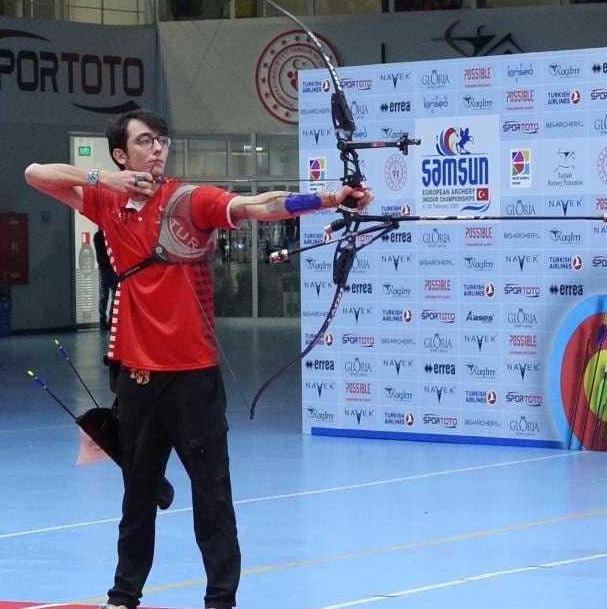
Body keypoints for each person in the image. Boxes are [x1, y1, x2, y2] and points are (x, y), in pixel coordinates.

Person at [24, 109, 372, 609]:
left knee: (213, 496)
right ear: (121, 154)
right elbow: (36, 173)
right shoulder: (106, 199)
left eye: (162, 141)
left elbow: (259, 205)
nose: (158, 149)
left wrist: (330, 198)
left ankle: (220, 600)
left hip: (193, 378)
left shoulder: (189, 200)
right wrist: (104, 179)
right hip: (137, 377)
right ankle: (123, 596)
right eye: (145, 141)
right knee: (137, 497)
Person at [94, 228, 117, 330]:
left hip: (105, 269)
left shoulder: (98, 236)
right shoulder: (109, 235)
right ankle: (109, 318)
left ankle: (104, 318)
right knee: (111, 295)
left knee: (105, 295)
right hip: (110, 268)